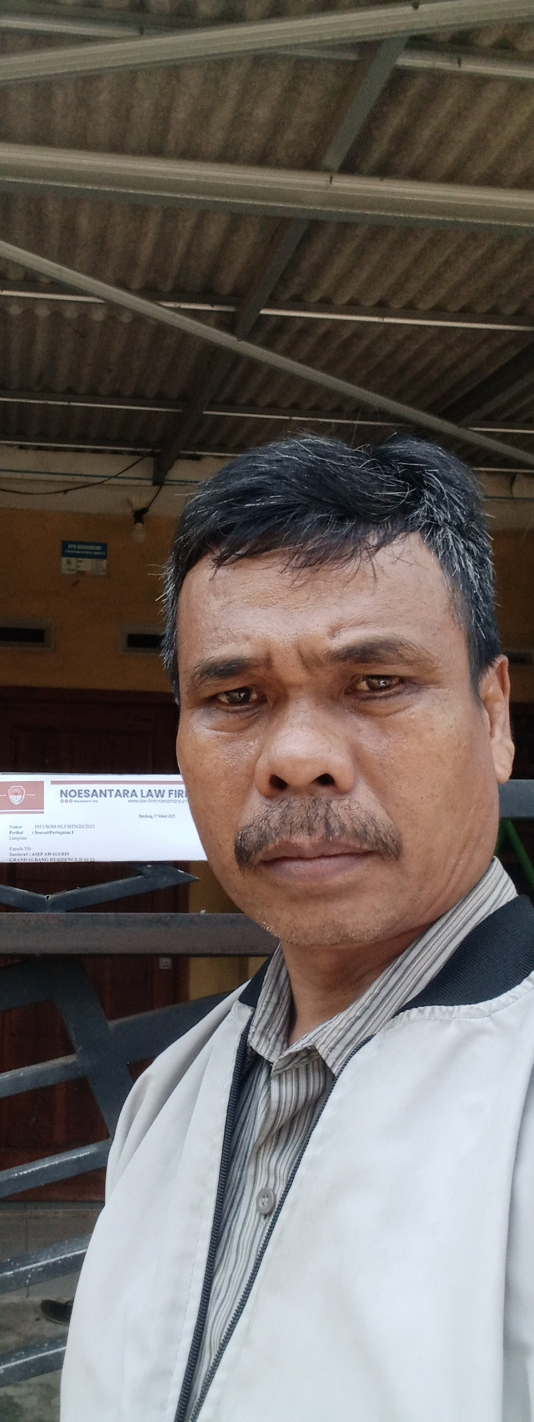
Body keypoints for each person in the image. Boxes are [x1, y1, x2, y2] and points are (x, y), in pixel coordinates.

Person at [60, 434, 534, 1422]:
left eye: (375, 684)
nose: (297, 757)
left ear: (493, 717)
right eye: (234, 697)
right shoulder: (168, 1098)